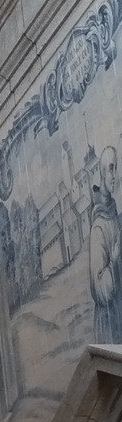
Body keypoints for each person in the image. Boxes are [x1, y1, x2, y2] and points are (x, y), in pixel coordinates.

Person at [90, 146, 122, 342]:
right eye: (110, 168)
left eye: (116, 168)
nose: (114, 175)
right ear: (101, 173)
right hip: (109, 322)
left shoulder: (113, 212)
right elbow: (99, 289)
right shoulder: (98, 227)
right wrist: (114, 260)